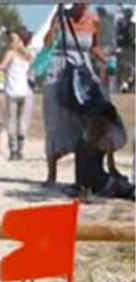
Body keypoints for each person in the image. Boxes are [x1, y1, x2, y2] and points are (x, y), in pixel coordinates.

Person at [42, 3, 106, 185]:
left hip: (82, 71)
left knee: (86, 121)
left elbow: (94, 47)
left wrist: (106, 60)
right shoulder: (61, 17)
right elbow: (47, 44)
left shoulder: (93, 20)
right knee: (55, 120)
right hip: (59, 70)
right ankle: (52, 173)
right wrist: (56, 23)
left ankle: (85, 173)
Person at [0, 28, 33, 160]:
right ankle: (21, 149)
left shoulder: (11, 53)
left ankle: (13, 150)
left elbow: (2, 66)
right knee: (21, 120)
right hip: (23, 90)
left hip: (12, 90)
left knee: (11, 121)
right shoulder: (27, 54)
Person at [96, 6, 118, 92]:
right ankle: (110, 88)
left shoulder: (100, 22)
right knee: (110, 68)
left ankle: (103, 87)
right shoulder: (110, 21)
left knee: (102, 68)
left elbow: (98, 36)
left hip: (103, 46)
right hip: (111, 46)